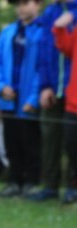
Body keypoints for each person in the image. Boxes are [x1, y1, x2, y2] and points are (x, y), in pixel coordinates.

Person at [0, 0, 44, 197]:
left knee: (30, 142)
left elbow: (43, 68)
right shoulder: (8, 32)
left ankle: (31, 181)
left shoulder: (42, 32)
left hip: (29, 99)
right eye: (18, 4)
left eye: (26, 3)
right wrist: (0, 86)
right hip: (8, 98)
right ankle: (14, 181)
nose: (21, 8)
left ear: (38, 4)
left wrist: (34, 98)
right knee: (11, 141)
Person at [28, 0, 76, 201]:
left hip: (73, 89)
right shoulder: (50, 13)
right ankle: (50, 186)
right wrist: (44, 86)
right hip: (53, 87)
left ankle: (72, 187)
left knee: (73, 140)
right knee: (50, 137)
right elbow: (44, 52)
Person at [51, 7, 77, 203]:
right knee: (71, 145)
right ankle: (73, 187)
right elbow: (67, 48)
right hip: (73, 103)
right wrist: (59, 28)